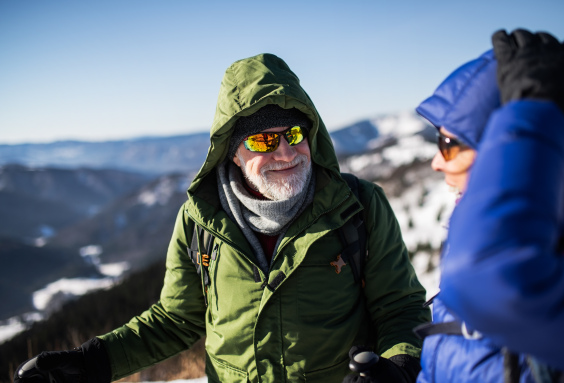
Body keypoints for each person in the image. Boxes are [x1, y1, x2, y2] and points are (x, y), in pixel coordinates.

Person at [14, 53, 430, 383]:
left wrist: (398, 365)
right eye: (264, 139)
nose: (285, 152)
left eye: (295, 134)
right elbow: (175, 320)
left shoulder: (359, 207)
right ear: (231, 151)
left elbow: (400, 307)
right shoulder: (200, 221)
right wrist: (92, 363)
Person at [414, 29, 564, 383]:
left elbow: (490, 277)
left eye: (449, 143)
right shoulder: (480, 244)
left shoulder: (513, 266)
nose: (437, 162)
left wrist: (536, 111)